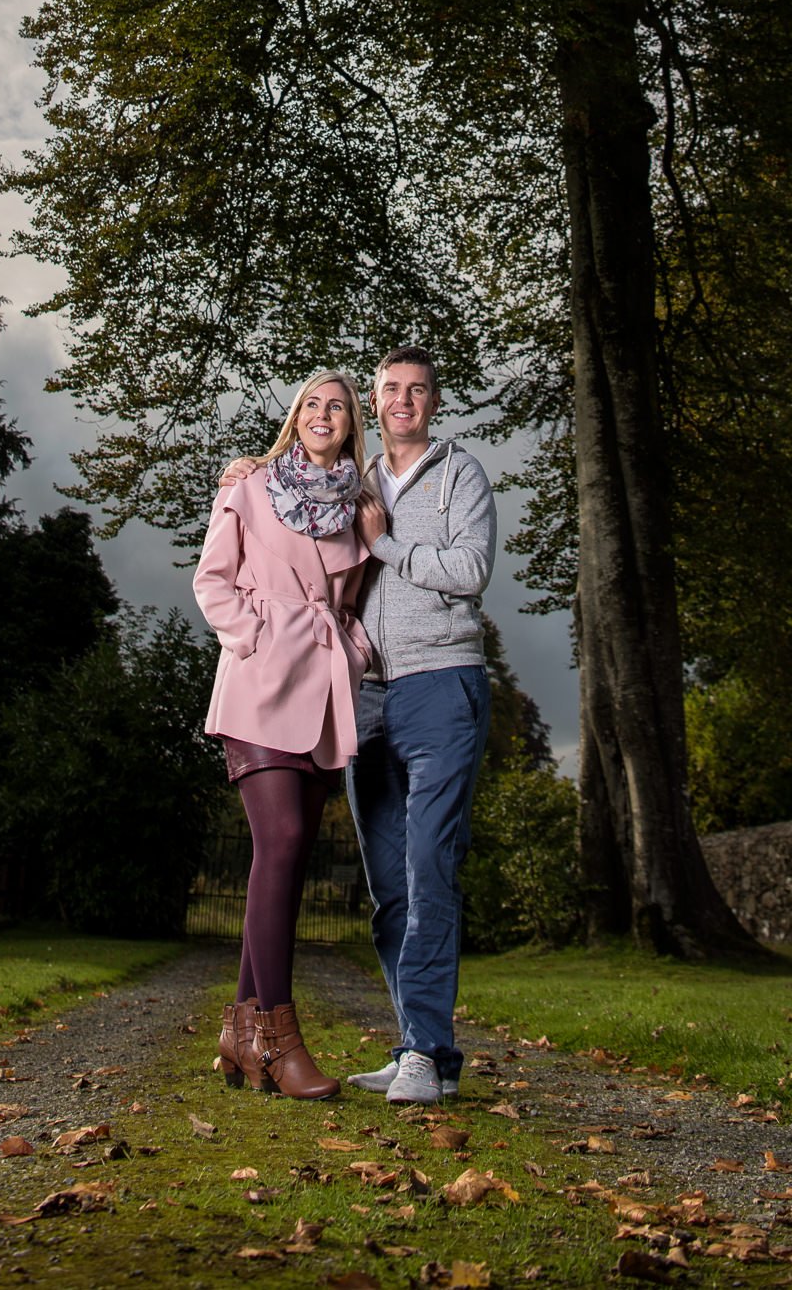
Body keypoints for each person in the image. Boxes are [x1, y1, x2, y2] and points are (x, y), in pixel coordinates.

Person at [193, 368, 379, 1099]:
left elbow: (360, 604)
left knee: (290, 859)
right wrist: (254, 634)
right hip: (262, 686)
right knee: (282, 844)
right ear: (295, 416)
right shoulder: (250, 485)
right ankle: (278, 1038)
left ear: (351, 424)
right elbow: (212, 580)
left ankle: (240, 1033)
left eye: (338, 405)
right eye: (312, 403)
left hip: (325, 694)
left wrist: (354, 651)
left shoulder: (362, 510)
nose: (324, 413)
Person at [342, 346, 495, 1106]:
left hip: (444, 687)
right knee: (388, 887)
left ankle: (426, 1056)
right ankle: (419, 1049)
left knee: (430, 866)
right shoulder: (356, 479)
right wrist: (241, 471)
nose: (404, 401)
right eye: (391, 390)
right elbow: (288, 504)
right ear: (375, 402)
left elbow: (470, 571)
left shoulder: (461, 476)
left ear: (434, 402)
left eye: (418, 390)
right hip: (367, 698)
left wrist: (386, 546)